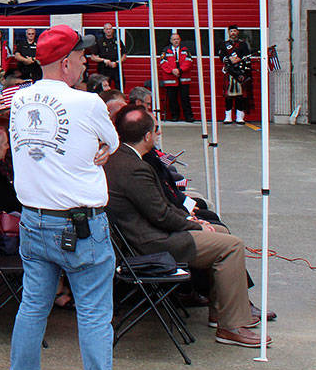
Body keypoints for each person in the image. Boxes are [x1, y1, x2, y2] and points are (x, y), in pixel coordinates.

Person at [4, 24, 146, 370]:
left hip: (34, 219)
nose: (86, 62)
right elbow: (114, 143)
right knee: (95, 312)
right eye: (82, 57)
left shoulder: (21, 98)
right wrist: (100, 148)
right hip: (80, 224)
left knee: (33, 305)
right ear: (66, 62)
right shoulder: (87, 103)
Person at [105, 107, 270, 349]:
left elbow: (159, 208)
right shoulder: (134, 168)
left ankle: (221, 312)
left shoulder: (120, 159)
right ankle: (231, 326)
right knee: (232, 246)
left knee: (222, 234)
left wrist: (193, 222)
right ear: (147, 136)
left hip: (143, 236)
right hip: (151, 243)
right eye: (155, 130)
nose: (157, 134)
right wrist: (195, 225)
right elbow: (161, 215)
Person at [159, 32, 194, 122]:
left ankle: (188, 117)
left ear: (180, 40)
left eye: (177, 39)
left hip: (183, 78)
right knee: (172, 99)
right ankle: (175, 116)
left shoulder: (185, 50)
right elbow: (163, 62)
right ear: (171, 41)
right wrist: (172, 70)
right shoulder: (165, 50)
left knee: (185, 98)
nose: (176, 41)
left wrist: (180, 70)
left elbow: (189, 61)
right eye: (174, 39)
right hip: (170, 79)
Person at [221, 25, 253, 123]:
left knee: (240, 96)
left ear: (237, 32)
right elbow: (221, 56)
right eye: (231, 31)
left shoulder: (243, 44)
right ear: (229, 33)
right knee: (228, 96)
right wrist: (229, 59)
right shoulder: (224, 44)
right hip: (229, 72)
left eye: (235, 31)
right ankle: (228, 117)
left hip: (240, 72)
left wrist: (239, 59)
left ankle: (239, 117)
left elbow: (247, 56)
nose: (233, 33)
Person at [89, 23, 122, 88]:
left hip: (116, 68)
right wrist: (103, 60)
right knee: (103, 86)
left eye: (110, 29)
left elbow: (124, 55)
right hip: (103, 68)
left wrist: (117, 62)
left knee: (119, 86)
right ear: (104, 30)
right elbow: (93, 57)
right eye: (107, 29)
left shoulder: (117, 41)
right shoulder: (99, 41)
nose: (108, 31)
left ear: (112, 30)